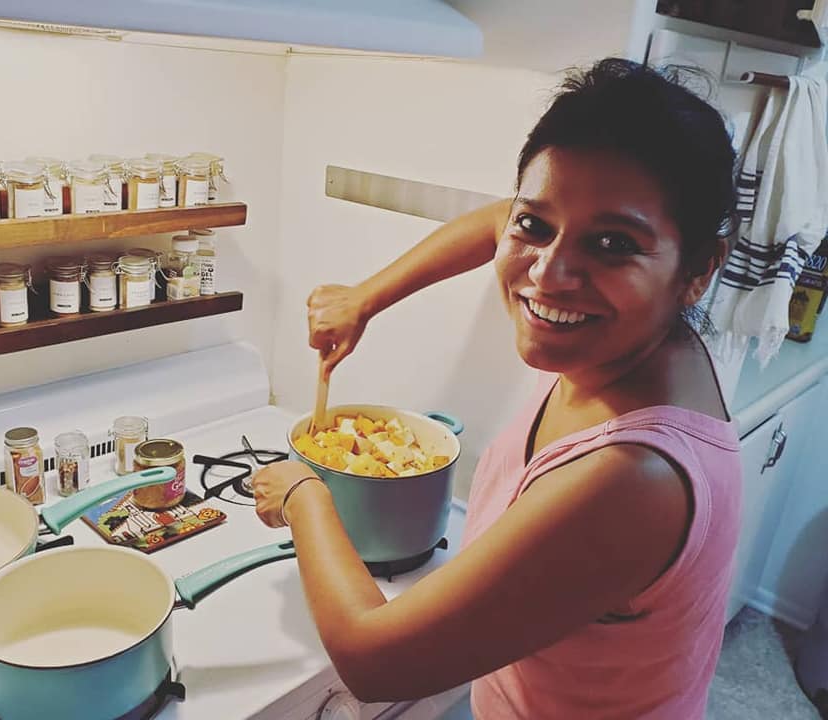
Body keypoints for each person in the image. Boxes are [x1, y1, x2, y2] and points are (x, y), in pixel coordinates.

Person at [251, 58, 742, 719]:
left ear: (699, 269)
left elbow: (376, 661)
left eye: (612, 243)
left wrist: (304, 494)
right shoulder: (634, 345)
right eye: (536, 227)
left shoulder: (634, 477)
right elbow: (497, 220)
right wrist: (365, 298)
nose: (548, 273)